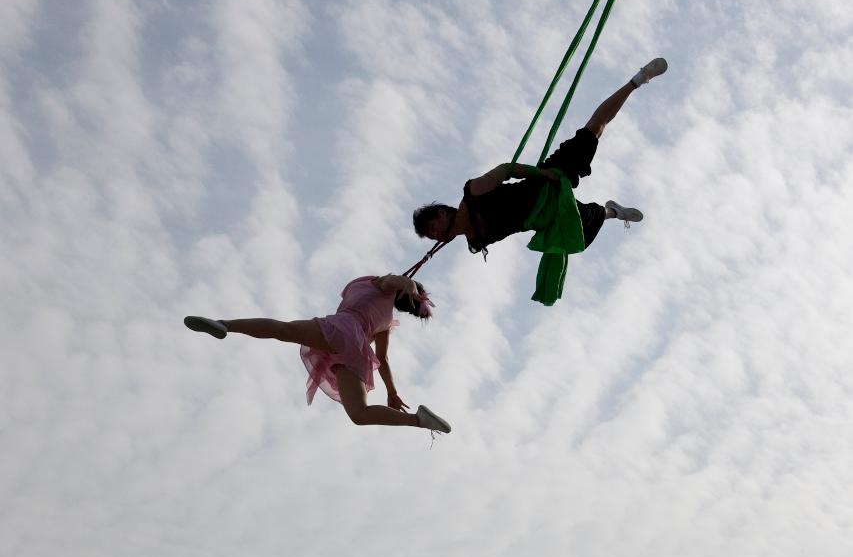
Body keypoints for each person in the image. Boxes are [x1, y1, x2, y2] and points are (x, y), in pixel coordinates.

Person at [412, 58, 668, 261]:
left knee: (594, 129)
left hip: (545, 182)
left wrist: (542, 174)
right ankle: (615, 211)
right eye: (431, 235)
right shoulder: (475, 241)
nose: (434, 234)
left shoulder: (473, 193)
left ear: (445, 212)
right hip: (548, 217)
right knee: (588, 225)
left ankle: (639, 78)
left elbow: (506, 169)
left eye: (433, 226)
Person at [184, 275, 451, 434]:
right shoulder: (385, 317)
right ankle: (418, 420)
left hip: (342, 330)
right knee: (359, 414)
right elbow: (384, 359)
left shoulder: (380, 285)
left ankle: (225, 325)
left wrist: (409, 286)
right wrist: (392, 392)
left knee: (283, 329)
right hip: (354, 353)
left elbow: (396, 280)